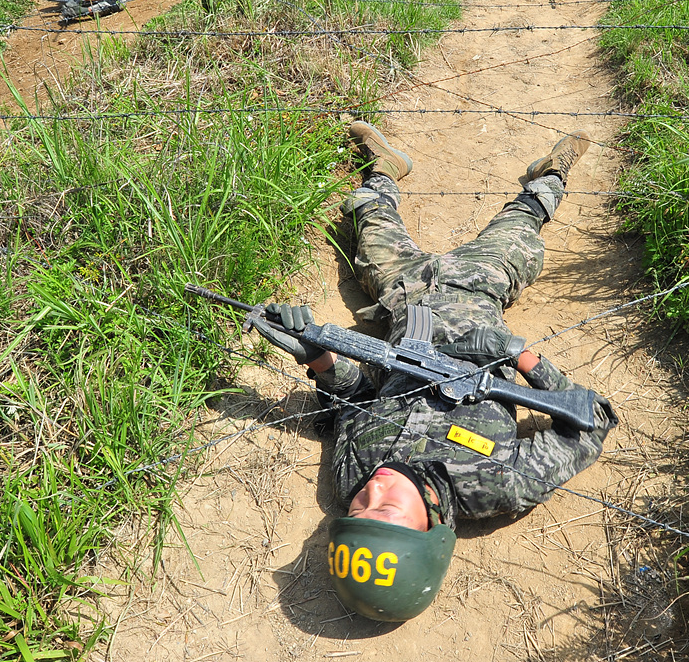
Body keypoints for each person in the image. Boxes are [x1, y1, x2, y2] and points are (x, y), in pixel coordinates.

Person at [251, 122, 618, 622]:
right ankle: (552, 173)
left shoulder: (351, 478)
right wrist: (516, 355)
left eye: (358, 510)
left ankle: (385, 168)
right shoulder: (495, 483)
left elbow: (354, 401)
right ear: (429, 529)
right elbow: (592, 422)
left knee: (364, 212)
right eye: (385, 511)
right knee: (521, 222)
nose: (372, 490)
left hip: (403, 296)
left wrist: (316, 355)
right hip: (478, 287)